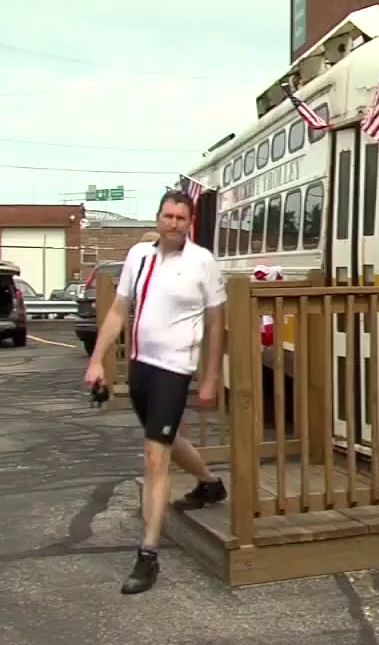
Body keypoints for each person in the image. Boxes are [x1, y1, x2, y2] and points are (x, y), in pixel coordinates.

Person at [83, 190, 227, 595]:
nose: (174, 224)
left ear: (190, 222)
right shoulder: (138, 256)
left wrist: (211, 375)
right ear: (159, 217)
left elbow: (217, 324)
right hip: (141, 366)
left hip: (175, 368)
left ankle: (148, 555)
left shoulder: (203, 262)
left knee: (153, 456)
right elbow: (117, 310)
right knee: (162, 438)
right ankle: (209, 482)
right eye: (168, 216)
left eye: (182, 218)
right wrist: (97, 360)